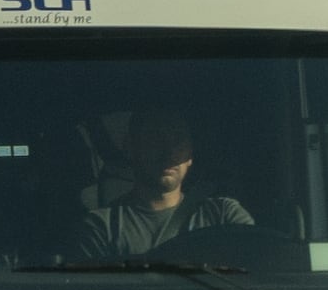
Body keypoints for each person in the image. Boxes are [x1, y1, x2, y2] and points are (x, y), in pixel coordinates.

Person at [70, 105, 258, 263]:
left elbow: (256, 272)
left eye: (178, 141)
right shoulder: (102, 227)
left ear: (190, 155)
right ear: (131, 148)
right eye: (155, 139)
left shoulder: (223, 215)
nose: (169, 152)